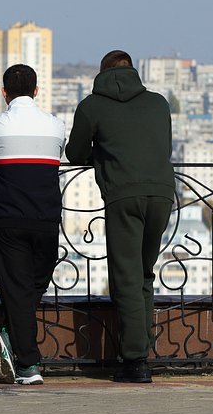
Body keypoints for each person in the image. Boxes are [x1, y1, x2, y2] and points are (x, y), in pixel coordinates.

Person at [65, 50, 175, 384]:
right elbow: (163, 147)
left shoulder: (91, 106)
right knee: (143, 273)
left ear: (102, 73)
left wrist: (101, 152)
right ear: (133, 70)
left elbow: (75, 153)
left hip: (122, 195)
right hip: (161, 194)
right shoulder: (158, 103)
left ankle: (135, 361)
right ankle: (143, 348)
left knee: (126, 277)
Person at [0, 64, 65, 385]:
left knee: (17, 289)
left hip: (9, 220)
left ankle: (26, 363)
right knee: (34, 286)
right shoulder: (55, 125)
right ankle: (16, 346)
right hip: (47, 219)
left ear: (4, 93)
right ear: (37, 91)